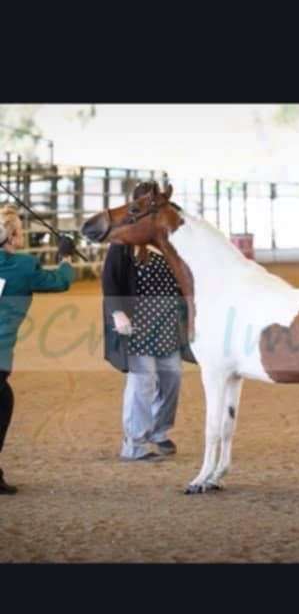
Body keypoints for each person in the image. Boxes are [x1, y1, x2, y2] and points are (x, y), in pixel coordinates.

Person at [101, 182, 191, 462]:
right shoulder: (125, 242)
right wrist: (117, 312)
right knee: (142, 382)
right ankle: (135, 444)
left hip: (167, 324)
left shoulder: (172, 242)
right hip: (137, 323)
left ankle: (159, 432)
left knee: (172, 377)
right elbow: (110, 278)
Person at [0, 204, 75, 494]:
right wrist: (65, 256)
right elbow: (61, 281)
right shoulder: (23, 266)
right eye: (18, 232)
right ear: (13, 236)